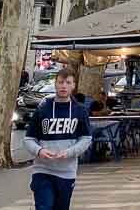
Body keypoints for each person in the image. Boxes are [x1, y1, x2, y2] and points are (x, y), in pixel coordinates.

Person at [23, 68, 93, 210]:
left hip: (67, 172)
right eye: (60, 82)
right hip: (42, 170)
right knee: (45, 206)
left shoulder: (79, 111)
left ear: (73, 85)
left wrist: (69, 152)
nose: (63, 86)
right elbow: (29, 139)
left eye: (68, 82)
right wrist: (39, 151)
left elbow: (86, 138)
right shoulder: (42, 109)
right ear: (55, 84)